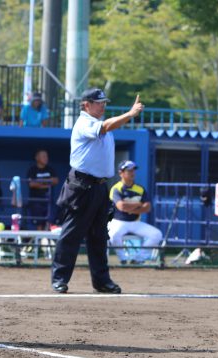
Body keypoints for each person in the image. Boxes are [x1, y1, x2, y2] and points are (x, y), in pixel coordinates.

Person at [51, 88, 144, 294]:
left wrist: (126, 116)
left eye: (104, 102)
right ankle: (60, 278)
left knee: (99, 236)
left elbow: (108, 126)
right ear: (86, 105)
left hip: (100, 186)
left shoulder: (99, 123)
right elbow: (105, 126)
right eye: (98, 102)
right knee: (72, 234)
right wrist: (129, 114)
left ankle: (102, 281)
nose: (103, 105)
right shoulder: (85, 122)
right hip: (82, 185)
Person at [108, 160, 163, 265]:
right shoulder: (116, 188)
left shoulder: (140, 189)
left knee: (156, 234)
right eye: (129, 171)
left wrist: (131, 208)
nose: (132, 173)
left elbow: (147, 207)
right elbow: (121, 206)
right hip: (118, 221)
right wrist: (138, 204)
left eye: (133, 170)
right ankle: (123, 258)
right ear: (121, 173)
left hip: (135, 222)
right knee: (113, 234)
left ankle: (138, 259)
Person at [26, 149, 58, 230]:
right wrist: (47, 182)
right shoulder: (32, 170)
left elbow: (55, 181)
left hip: (48, 200)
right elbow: (31, 184)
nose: (46, 158)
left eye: (46, 156)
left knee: (50, 221)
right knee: (38, 222)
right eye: (43, 156)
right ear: (37, 158)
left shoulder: (50, 169)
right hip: (36, 201)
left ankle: (47, 239)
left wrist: (39, 183)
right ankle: (40, 240)